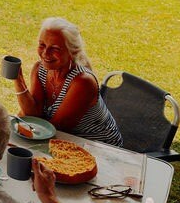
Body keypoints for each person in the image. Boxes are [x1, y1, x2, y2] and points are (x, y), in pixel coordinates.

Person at [14, 17, 123, 146]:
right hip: (64, 140)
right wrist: (18, 80)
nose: (45, 53)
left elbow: (52, 130)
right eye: (42, 45)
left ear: (73, 51)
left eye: (55, 48)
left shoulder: (83, 82)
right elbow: (34, 116)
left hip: (99, 147)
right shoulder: (40, 69)